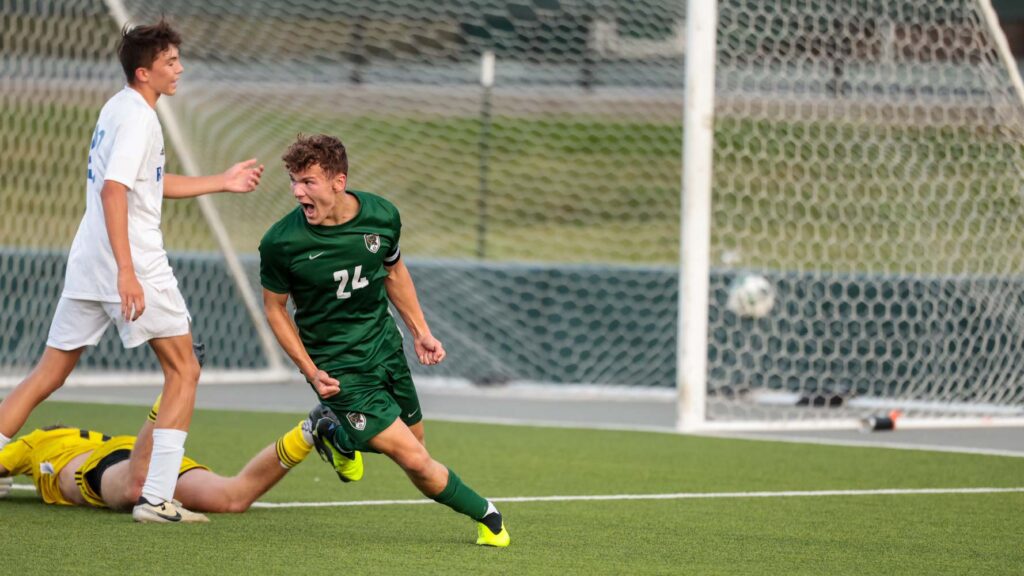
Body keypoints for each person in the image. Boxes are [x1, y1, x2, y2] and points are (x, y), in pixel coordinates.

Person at [0, 19, 264, 523]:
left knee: (48, 374)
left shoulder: (119, 107)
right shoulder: (139, 119)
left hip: (87, 263)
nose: (179, 69)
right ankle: (157, 498)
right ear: (145, 72)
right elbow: (114, 190)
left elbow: (147, 184)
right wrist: (127, 272)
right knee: (184, 369)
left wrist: (222, 182)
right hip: (132, 262)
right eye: (170, 62)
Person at [259, 134, 510, 547]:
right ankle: (488, 516)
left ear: (339, 182)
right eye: (294, 181)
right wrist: (310, 370)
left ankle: (333, 434)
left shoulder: (382, 216)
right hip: (338, 370)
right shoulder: (282, 243)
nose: (297, 191)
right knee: (417, 460)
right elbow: (274, 309)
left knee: (416, 444)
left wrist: (421, 332)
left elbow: (394, 273)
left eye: (308, 182)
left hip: (385, 348)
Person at [0, 396, 315, 516]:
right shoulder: (90, 435)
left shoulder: (36, 440)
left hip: (106, 465)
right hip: (142, 453)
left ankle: (170, 393)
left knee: (135, 491)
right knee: (232, 498)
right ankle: (309, 431)